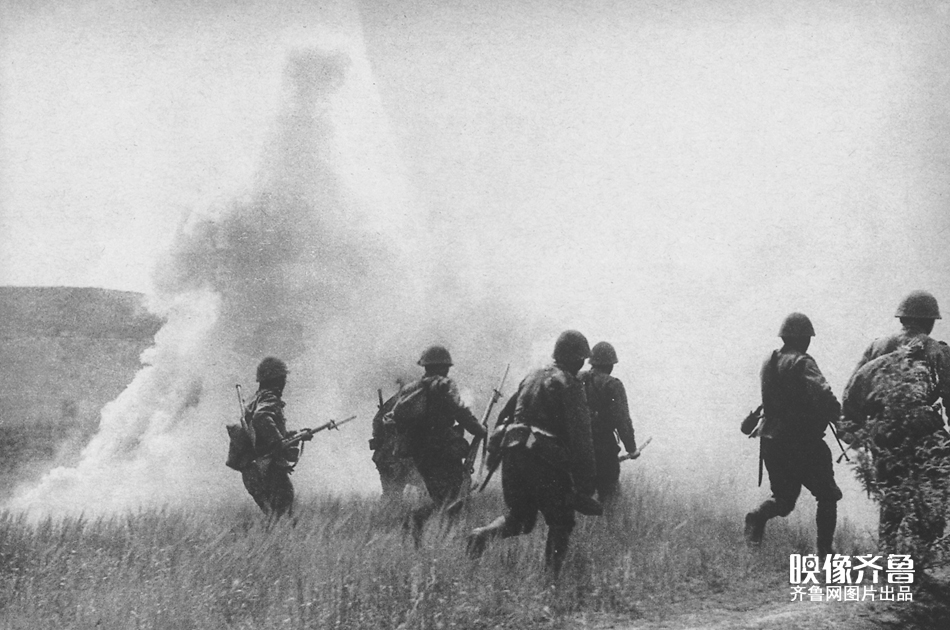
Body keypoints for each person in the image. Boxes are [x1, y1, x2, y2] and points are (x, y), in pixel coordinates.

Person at [466, 330, 599, 578]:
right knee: (561, 521)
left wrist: (495, 453)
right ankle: (551, 582)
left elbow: (504, 416)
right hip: (544, 459)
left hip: (513, 453)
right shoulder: (569, 384)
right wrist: (586, 486)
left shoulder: (531, 376)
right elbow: (582, 438)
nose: (582, 364)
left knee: (520, 519)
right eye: (581, 358)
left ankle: (481, 535)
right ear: (574, 358)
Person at [840, 290, 950, 557]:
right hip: (921, 431)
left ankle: (887, 554)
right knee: (936, 485)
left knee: (891, 495)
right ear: (930, 321)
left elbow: (852, 390)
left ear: (902, 318)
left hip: (882, 432)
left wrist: (858, 431)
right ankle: (920, 555)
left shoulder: (876, 346)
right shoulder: (937, 350)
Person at [744, 313, 842, 556]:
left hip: (771, 440)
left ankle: (757, 517)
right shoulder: (803, 362)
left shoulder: (769, 361)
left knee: (783, 500)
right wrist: (841, 421)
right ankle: (825, 552)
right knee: (828, 495)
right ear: (804, 338)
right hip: (803, 443)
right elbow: (823, 394)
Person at [394, 345, 487, 545]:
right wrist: (479, 429)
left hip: (420, 454)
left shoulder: (411, 389)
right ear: (444, 367)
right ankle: (424, 525)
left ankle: (431, 531)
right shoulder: (445, 386)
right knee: (453, 498)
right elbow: (461, 412)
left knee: (442, 497)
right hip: (443, 451)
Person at [241, 357, 310, 519]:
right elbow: (261, 417)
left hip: (254, 469)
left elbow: (261, 432)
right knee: (283, 515)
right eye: (283, 378)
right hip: (269, 468)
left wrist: (295, 435)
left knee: (275, 517)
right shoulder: (269, 398)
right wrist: (279, 442)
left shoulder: (254, 400)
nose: (284, 383)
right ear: (276, 379)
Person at [581, 341, 638, 506]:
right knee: (610, 499)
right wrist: (631, 449)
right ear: (610, 365)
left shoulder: (578, 379)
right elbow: (623, 420)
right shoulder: (613, 385)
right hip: (603, 447)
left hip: (577, 446)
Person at [370, 391, 422, 500]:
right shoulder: (408, 400)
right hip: (396, 458)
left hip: (386, 457)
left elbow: (376, 426)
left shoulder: (394, 402)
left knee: (391, 494)